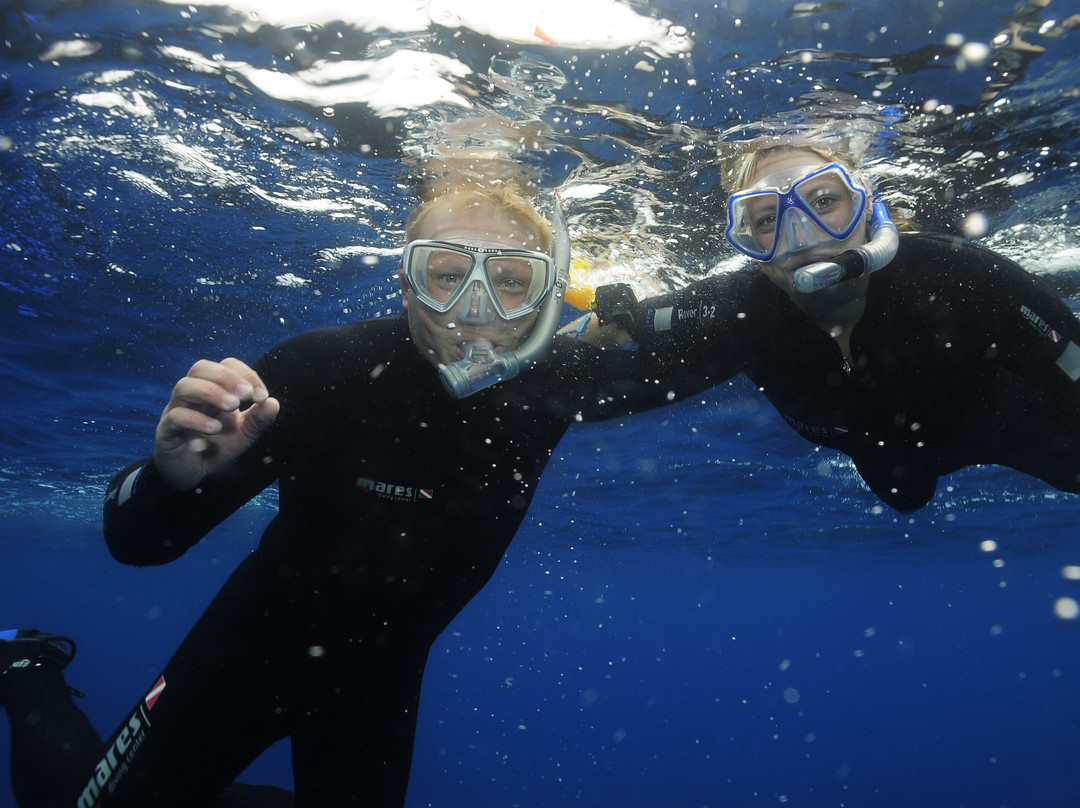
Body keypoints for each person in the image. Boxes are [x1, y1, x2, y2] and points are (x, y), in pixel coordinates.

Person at [1, 178, 713, 808]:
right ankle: (28, 668)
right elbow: (140, 544)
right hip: (242, 658)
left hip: (379, 689)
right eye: (444, 275)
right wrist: (170, 478)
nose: (474, 307)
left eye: (512, 282)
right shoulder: (323, 370)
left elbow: (739, 334)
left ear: (546, 298)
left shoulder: (558, 378)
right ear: (406, 283)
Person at [588, 137, 1080, 512]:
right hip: (888, 466)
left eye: (824, 202)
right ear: (750, 244)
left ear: (868, 210)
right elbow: (612, 336)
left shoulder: (957, 275)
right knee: (907, 501)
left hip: (1013, 430)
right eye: (767, 220)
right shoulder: (740, 310)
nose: (802, 237)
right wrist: (600, 328)